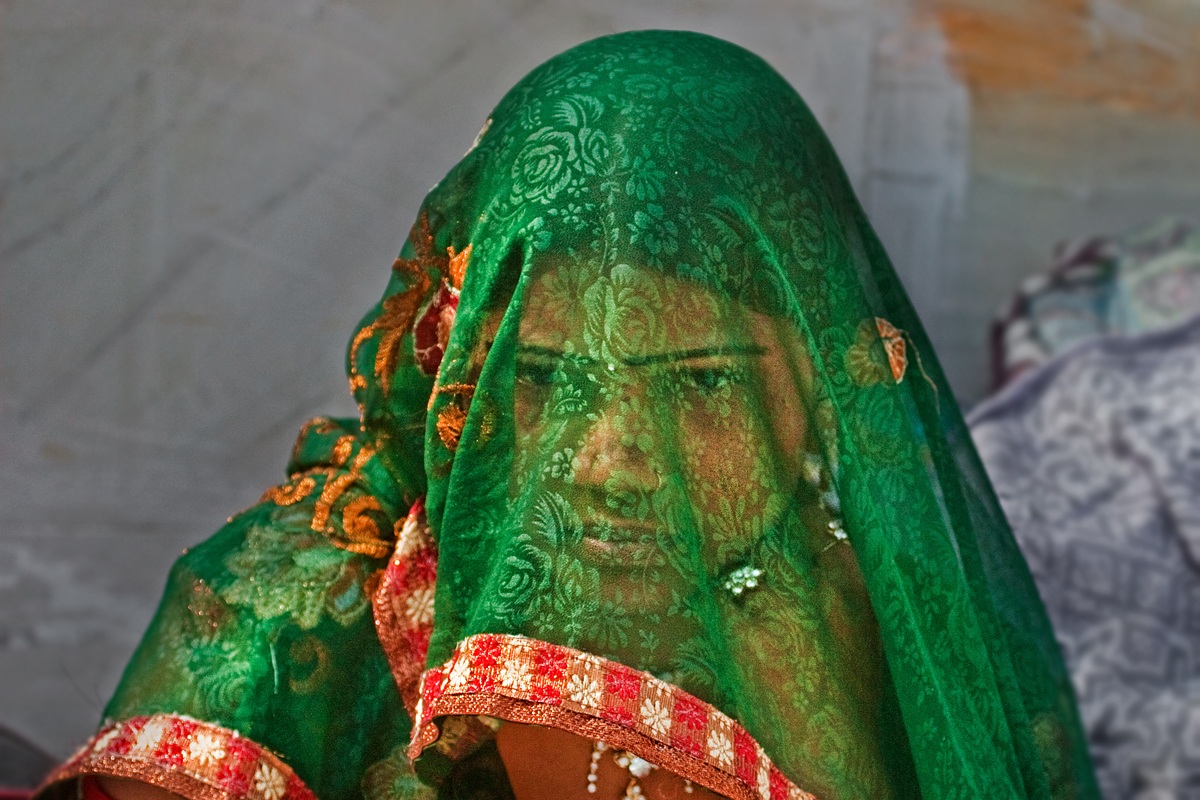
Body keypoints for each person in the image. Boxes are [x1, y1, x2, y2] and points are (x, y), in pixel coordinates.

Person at [35, 30, 1100, 800]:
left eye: (700, 383)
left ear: (822, 390)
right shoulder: (279, 630)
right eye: (541, 379)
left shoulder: (890, 625)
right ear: (456, 367)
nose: (609, 461)